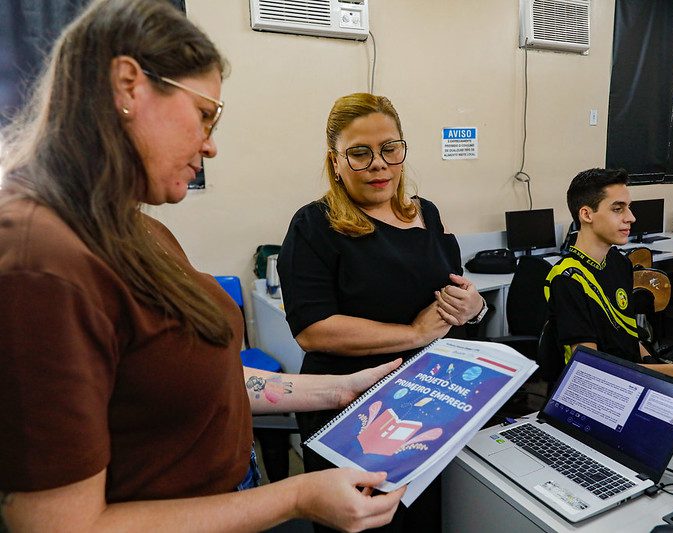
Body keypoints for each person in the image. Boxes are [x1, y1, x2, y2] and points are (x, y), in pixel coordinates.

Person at [0, 1, 406, 531]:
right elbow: (63, 526)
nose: (210, 146)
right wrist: (297, 496)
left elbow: (197, 379)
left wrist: (341, 389)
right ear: (128, 86)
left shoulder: (134, 227)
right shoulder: (39, 260)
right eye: (204, 115)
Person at [278, 92, 487, 531]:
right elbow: (313, 329)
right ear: (335, 161)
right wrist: (413, 334)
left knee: (432, 518)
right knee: (372, 523)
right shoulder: (314, 225)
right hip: (356, 413)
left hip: (433, 404)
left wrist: (475, 306)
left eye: (390, 148)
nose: (379, 164)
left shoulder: (426, 213)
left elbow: (454, 287)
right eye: (360, 153)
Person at [544, 168, 673, 397]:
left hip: (633, 379)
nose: (631, 217)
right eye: (618, 209)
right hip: (597, 393)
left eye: (628, 207)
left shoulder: (619, 262)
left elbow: (627, 333)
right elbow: (589, 369)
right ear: (587, 215)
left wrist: (658, 365)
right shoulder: (567, 278)